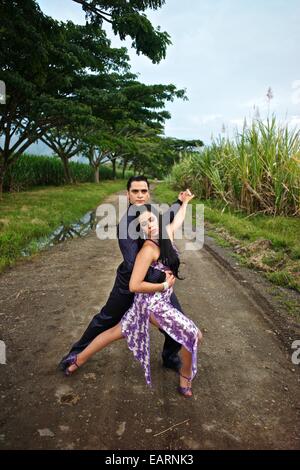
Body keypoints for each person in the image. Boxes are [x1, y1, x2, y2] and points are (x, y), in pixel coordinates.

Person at [64, 197, 203, 398]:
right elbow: (134, 285)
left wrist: (185, 202)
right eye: (144, 225)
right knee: (194, 335)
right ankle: (185, 375)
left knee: (116, 331)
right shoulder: (147, 250)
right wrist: (164, 285)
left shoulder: (167, 235)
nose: (149, 226)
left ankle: (77, 360)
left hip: (154, 303)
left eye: (152, 220)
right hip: (151, 304)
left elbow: (178, 220)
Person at [59, 176, 188, 373]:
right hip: (129, 281)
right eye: (135, 191)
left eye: (143, 191)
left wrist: (179, 202)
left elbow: (167, 218)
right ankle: (75, 354)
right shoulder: (125, 226)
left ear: (148, 193)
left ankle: (170, 356)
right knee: (106, 319)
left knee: (177, 318)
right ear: (127, 194)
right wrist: (163, 279)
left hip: (154, 280)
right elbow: (131, 264)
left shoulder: (150, 211)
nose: (140, 195)